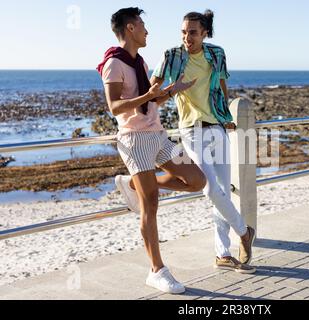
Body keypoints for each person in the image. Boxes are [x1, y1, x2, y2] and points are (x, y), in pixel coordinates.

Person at [97, 7, 206, 295]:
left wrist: (173, 90)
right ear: (130, 28)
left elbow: (151, 102)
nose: (147, 30)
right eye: (142, 25)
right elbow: (114, 107)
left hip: (158, 136)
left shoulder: (140, 62)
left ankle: (133, 184)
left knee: (197, 180)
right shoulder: (113, 64)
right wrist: (148, 95)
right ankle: (157, 271)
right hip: (134, 140)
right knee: (151, 205)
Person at [151, 10, 256, 273]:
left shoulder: (216, 54)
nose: (187, 38)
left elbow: (221, 87)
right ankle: (244, 232)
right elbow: (154, 97)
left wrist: (226, 117)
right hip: (191, 130)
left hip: (217, 128)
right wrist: (172, 90)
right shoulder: (171, 56)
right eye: (184, 32)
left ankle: (222, 254)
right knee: (210, 189)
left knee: (222, 190)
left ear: (205, 33)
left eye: (193, 32)